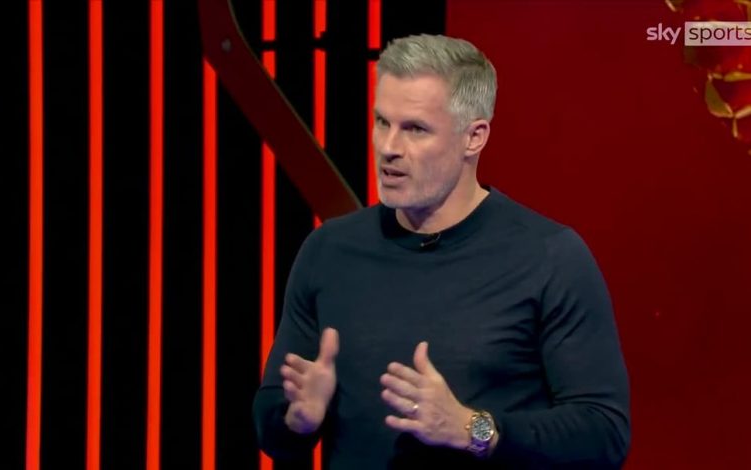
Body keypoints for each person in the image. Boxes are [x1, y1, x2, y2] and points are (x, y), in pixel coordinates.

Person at [253, 34, 630, 469]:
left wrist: (471, 429)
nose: (389, 148)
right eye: (382, 122)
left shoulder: (550, 258)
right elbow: (272, 423)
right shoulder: (329, 251)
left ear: (474, 137)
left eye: (415, 129)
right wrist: (297, 420)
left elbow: (604, 434)